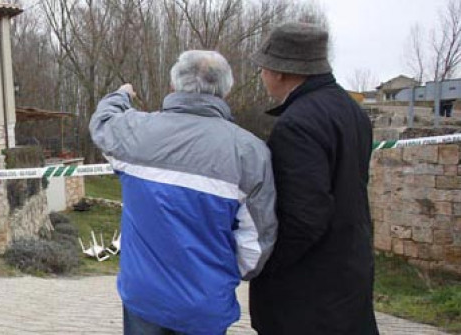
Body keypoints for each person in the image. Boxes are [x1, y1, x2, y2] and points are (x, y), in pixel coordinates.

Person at [90, 50, 277, 334]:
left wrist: (121, 95)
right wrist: (221, 275)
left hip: (145, 298)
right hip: (205, 304)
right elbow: (256, 243)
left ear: (174, 86)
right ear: (225, 90)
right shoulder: (249, 152)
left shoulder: (135, 132)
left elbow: (102, 123)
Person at [248, 22, 379, 334]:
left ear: (280, 71)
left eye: (263, 68)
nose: (262, 76)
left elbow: (304, 217)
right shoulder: (351, 110)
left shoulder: (297, 124)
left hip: (308, 291)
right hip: (349, 270)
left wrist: (267, 263)